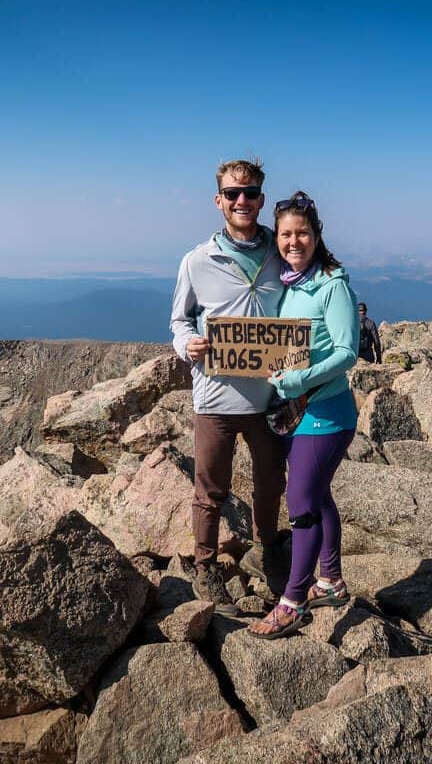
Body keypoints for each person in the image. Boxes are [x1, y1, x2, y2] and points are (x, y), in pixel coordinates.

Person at [170, 158, 288, 617]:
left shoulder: (280, 253)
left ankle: (267, 550)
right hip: (215, 396)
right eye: (233, 193)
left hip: (269, 398)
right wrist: (187, 344)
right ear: (218, 200)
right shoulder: (198, 260)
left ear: (261, 198)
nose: (243, 201)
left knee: (269, 483)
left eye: (251, 192)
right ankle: (204, 565)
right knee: (210, 488)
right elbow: (179, 318)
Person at [248, 191, 359, 639]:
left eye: (302, 233)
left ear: (316, 235)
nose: (294, 241)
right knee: (318, 495)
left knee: (301, 506)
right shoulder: (293, 281)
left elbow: (348, 352)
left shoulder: (332, 285)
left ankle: (293, 601)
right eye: (286, 234)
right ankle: (330, 580)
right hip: (300, 412)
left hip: (326, 412)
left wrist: (299, 379)